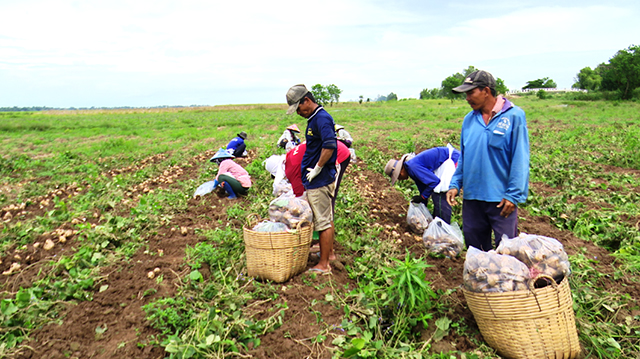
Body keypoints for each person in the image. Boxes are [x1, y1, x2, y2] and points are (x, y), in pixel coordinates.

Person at [446, 70, 530, 251]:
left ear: (486, 90)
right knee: (476, 251)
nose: (467, 98)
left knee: (506, 251)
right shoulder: (469, 120)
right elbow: (465, 157)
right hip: (472, 199)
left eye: (470, 93)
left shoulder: (514, 116)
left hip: (500, 200)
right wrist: (455, 184)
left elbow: (520, 158)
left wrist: (513, 195)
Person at [286, 84, 337, 274]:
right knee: (326, 218)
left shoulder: (322, 119)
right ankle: (327, 254)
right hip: (317, 179)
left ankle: (324, 265)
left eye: (299, 108)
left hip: (320, 179)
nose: (298, 112)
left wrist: (317, 168)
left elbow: (330, 145)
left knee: (323, 221)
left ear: (306, 101)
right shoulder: (314, 118)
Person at [384, 144, 460, 224]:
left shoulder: (413, 167)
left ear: (401, 171)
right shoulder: (411, 169)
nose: (399, 179)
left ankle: (443, 228)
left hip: (452, 159)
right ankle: (437, 225)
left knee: (440, 195)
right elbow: (423, 186)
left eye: (398, 176)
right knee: (437, 194)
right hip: (445, 162)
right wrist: (422, 202)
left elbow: (434, 181)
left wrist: (422, 196)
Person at [284, 141, 350, 211]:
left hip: (337, 154)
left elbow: (301, 201)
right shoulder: (288, 156)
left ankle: (328, 220)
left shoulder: (293, 174)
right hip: (329, 148)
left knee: (327, 196)